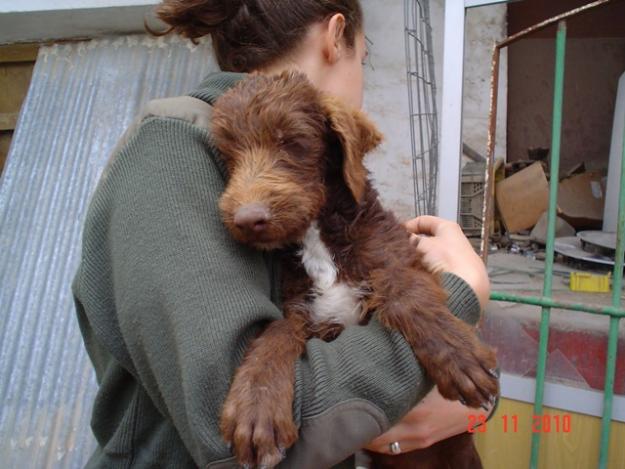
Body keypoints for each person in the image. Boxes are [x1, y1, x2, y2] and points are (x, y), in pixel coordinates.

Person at [72, 0, 498, 467]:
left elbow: (377, 327)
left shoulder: (332, 194)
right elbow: (239, 437)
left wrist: (457, 394)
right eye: (366, 59)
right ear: (336, 38)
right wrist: (461, 291)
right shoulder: (174, 150)